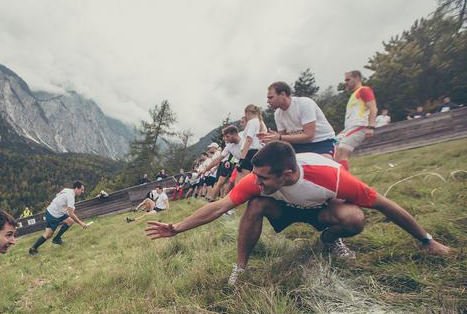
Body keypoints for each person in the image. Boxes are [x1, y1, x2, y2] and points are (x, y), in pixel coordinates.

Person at [145, 141, 451, 286]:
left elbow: (385, 205)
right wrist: (177, 227)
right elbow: (220, 205)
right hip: (285, 210)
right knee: (255, 204)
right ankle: (241, 268)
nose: (257, 181)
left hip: (321, 211)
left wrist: (426, 240)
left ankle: (330, 241)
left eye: (264, 178)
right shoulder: (260, 181)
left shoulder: (332, 177)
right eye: (257, 177)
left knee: (356, 218)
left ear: (288, 173)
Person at [262, 81, 337, 157]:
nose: (268, 101)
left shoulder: (304, 104)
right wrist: (272, 139)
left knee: (324, 163)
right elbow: (284, 140)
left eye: (271, 97)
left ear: (282, 94)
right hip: (299, 145)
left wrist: (279, 137)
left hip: (322, 141)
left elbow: (310, 136)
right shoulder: (278, 113)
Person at [29, 181, 88, 255]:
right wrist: (81, 223)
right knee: (48, 234)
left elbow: (58, 195)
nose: (83, 192)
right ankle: (33, 249)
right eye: (81, 190)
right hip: (53, 215)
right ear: (76, 188)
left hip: (56, 211)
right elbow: (71, 213)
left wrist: (61, 205)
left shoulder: (67, 190)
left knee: (70, 222)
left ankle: (56, 239)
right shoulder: (71, 197)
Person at [334, 70, 378, 170]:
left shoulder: (364, 90)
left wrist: (371, 127)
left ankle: (344, 181)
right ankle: (339, 176)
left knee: (342, 151)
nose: (346, 82)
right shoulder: (354, 94)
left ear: (357, 78)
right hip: (349, 128)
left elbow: (373, 108)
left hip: (359, 126)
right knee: (333, 148)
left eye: (348, 79)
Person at [237, 104, 267, 179]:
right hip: (259, 153)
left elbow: (249, 140)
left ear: (248, 113)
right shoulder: (262, 123)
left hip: (249, 153)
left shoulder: (252, 122)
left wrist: (241, 159)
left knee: (240, 182)